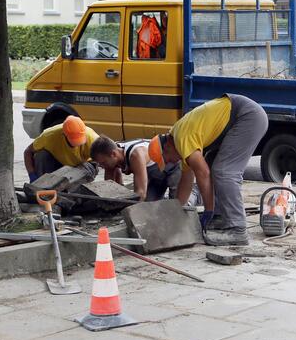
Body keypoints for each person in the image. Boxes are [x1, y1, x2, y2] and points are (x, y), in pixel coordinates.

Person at [148, 94, 268, 246]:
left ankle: (238, 229)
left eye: (167, 159)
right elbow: (187, 180)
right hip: (241, 116)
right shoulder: (179, 140)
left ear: (166, 146)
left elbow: (202, 173)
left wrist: (208, 211)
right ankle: (221, 218)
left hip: (246, 116)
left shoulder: (182, 138)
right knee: (212, 165)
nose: (171, 162)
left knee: (224, 172)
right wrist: (176, 212)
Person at [90, 136, 180, 201]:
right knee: (148, 207)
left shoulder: (135, 155)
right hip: (154, 177)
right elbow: (110, 187)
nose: (102, 166)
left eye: (103, 163)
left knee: (178, 206)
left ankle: (192, 194)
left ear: (113, 154)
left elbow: (140, 192)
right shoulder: (112, 154)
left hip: (173, 169)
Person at [23, 115, 98, 181]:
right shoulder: (49, 135)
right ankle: (42, 186)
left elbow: (108, 158)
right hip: (60, 164)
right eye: (74, 139)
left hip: (85, 165)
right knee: (41, 155)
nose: (77, 144)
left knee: (78, 174)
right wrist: (32, 175)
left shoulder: (92, 137)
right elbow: (27, 152)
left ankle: (72, 191)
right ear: (64, 134)